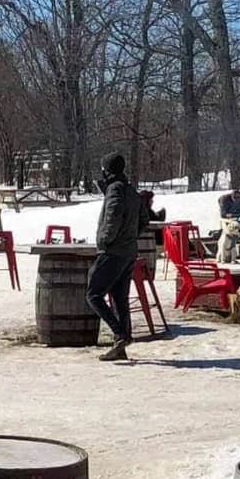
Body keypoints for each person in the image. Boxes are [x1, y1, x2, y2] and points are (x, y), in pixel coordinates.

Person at [86, 153, 148, 362]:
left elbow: (112, 217)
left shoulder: (115, 190)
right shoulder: (131, 190)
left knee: (94, 294)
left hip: (113, 251)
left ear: (107, 170)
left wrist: (105, 241)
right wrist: (130, 237)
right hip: (129, 251)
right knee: (119, 298)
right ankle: (120, 345)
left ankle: (120, 334)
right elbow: (144, 219)